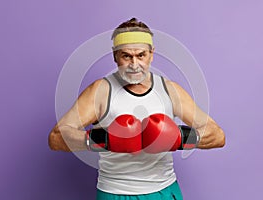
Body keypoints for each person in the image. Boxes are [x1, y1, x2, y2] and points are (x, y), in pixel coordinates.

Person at [48, 18, 225, 200]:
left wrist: (179, 138)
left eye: (141, 55)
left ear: (151, 54)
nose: (134, 64)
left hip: (163, 190)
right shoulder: (100, 92)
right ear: (115, 56)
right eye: (126, 56)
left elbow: (217, 135)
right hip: (115, 192)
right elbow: (56, 137)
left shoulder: (169, 90)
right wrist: (103, 139)